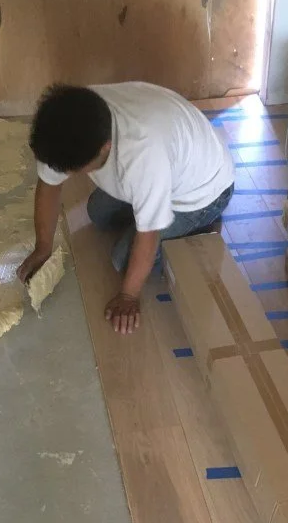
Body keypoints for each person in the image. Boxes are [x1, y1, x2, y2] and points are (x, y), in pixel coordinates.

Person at [18, 82, 235, 335]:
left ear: (105, 147)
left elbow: (148, 234)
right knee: (97, 212)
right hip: (172, 158)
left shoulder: (142, 155)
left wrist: (128, 296)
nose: (67, 174)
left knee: (122, 258)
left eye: (74, 170)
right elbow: (49, 184)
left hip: (203, 192)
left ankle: (199, 225)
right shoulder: (72, 117)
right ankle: (147, 206)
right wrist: (43, 247)